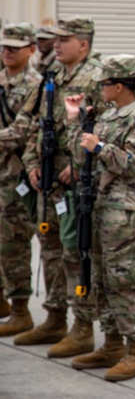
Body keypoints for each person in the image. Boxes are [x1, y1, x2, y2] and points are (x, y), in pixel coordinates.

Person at [64, 54, 135, 382]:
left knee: (126, 281)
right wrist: (75, 121)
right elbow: (79, 155)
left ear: (120, 86)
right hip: (100, 209)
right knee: (101, 279)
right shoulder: (107, 116)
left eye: (105, 84)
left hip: (126, 213)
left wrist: (101, 147)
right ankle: (111, 343)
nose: (100, 88)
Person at [17, 16, 106, 358]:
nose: (56, 44)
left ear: (83, 44)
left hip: (78, 182)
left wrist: (78, 165)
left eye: (64, 39)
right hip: (48, 180)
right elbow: (38, 126)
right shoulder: (52, 77)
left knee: (76, 253)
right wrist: (33, 165)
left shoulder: (96, 78)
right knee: (51, 249)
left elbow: (107, 131)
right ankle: (55, 317)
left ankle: (82, 327)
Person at [0, 24, 42, 337]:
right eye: (4, 46)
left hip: (17, 176)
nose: (7, 51)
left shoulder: (37, 85)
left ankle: (20, 309)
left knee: (14, 242)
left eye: (15, 46)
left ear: (31, 49)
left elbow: (24, 130)